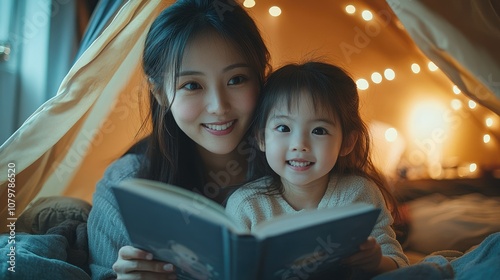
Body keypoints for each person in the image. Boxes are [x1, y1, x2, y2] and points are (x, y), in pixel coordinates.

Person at [87, 0, 271, 279]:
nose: (218, 106)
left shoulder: (305, 161)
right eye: (192, 85)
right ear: (160, 93)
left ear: (261, 78)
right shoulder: (123, 187)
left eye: (236, 79)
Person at [225, 61, 409, 278]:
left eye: (319, 130)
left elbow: (401, 265)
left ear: (347, 143)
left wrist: (377, 262)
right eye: (283, 128)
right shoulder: (246, 205)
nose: (299, 144)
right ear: (261, 138)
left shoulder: (358, 193)